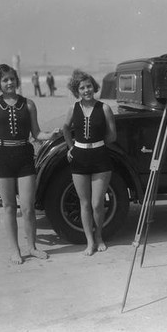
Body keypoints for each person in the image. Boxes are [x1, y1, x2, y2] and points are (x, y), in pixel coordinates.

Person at [0, 64, 59, 264]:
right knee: (8, 207)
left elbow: (37, 134)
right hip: (1, 158)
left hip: (24, 157)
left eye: (12, 79)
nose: (9, 83)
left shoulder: (29, 104)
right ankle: (15, 250)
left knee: (28, 207)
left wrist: (52, 135)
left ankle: (32, 247)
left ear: (16, 80)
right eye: (5, 80)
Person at [62, 69, 117, 256]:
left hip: (100, 158)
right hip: (79, 159)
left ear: (94, 87)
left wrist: (97, 144)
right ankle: (90, 241)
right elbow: (65, 128)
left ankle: (99, 235)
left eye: (89, 86)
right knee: (84, 203)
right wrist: (71, 147)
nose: (86, 90)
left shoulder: (105, 108)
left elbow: (112, 135)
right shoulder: (73, 108)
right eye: (82, 87)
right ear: (76, 90)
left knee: (96, 203)